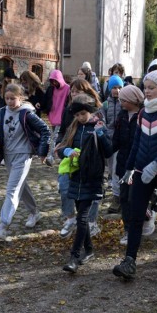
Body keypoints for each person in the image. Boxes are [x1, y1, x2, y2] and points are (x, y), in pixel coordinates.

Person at [112, 67, 157, 280]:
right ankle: (129, 261)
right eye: (145, 87)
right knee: (135, 215)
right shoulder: (143, 112)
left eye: (152, 88)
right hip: (142, 173)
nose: (148, 91)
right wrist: (129, 168)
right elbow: (137, 143)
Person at [57, 94, 113, 273]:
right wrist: (67, 151)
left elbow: (109, 150)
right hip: (76, 177)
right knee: (82, 218)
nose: (80, 117)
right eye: (77, 115)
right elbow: (60, 148)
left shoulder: (97, 126)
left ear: (89, 111)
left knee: (82, 218)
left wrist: (101, 133)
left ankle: (74, 257)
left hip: (92, 178)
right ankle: (89, 250)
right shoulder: (73, 127)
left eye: (83, 114)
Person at [0, 83, 51, 240]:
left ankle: (3, 226)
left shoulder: (27, 113)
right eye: (7, 98)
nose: (9, 102)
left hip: (23, 154)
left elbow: (45, 130)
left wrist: (42, 152)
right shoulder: (2, 112)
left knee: (12, 189)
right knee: (20, 186)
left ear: (21, 98)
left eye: (13, 99)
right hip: (8, 155)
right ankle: (35, 213)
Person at [55, 79, 103, 239]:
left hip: (92, 158)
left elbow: (105, 138)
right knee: (64, 186)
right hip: (71, 155)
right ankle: (70, 218)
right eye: (72, 91)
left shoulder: (97, 112)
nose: (74, 94)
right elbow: (62, 132)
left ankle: (91, 221)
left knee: (92, 190)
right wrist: (61, 147)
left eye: (78, 91)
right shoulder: (69, 111)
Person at [113, 85, 156, 246]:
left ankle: (146, 215)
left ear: (132, 100)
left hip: (139, 164)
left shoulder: (144, 115)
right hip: (123, 164)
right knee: (124, 198)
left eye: (123, 100)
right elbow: (116, 141)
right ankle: (128, 230)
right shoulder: (122, 116)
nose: (120, 102)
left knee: (134, 198)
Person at [102, 74, 124, 214]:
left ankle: (117, 198)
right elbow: (103, 122)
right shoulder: (105, 105)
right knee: (111, 170)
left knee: (117, 170)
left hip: (121, 142)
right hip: (109, 141)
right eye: (114, 87)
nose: (116, 90)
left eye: (119, 87)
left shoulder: (125, 103)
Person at [43, 69, 70, 166]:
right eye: (52, 81)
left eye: (55, 80)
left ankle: (51, 157)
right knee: (57, 137)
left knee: (54, 137)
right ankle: (61, 154)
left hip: (62, 117)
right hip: (53, 116)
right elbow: (46, 100)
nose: (54, 83)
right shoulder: (51, 89)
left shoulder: (68, 88)